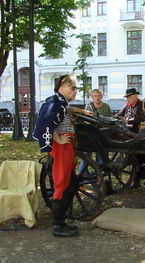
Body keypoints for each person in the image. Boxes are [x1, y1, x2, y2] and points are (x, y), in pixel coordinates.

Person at [33, 74, 92, 237]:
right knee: (62, 183)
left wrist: (83, 111)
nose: (75, 92)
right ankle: (58, 225)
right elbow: (43, 122)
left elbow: (68, 110)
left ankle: (62, 221)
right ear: (62, 87)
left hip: (66, 146)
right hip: (61, 148)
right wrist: (57, 138)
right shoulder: (54, 102)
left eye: (75, 89)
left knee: (71, 183)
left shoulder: (61, 102)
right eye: (72, 88)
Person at [114, 88, 145, 188]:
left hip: (139, 133)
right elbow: (119, 114)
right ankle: (137, 179)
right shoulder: (127, 105)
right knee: (136, 158)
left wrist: (128, 121)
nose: (128, 99)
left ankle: (140, 176)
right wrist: (117, 117)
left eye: (130, 97)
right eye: (127, 97)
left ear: (136, 96)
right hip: (129, 134)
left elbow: (142, 118)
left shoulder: (142, 105)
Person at [78, 89, 112, 174]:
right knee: (86, 156)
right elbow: (86, 120)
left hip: (103, 134)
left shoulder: (106, 106)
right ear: (92, 97)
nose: (97, 98)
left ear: (102, 96)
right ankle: (82, 174)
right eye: (95, 96)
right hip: (90, 135)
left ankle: (99, 175)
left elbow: (110, 119)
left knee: (101, 156)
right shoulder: (89, 107)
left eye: (99, 95)